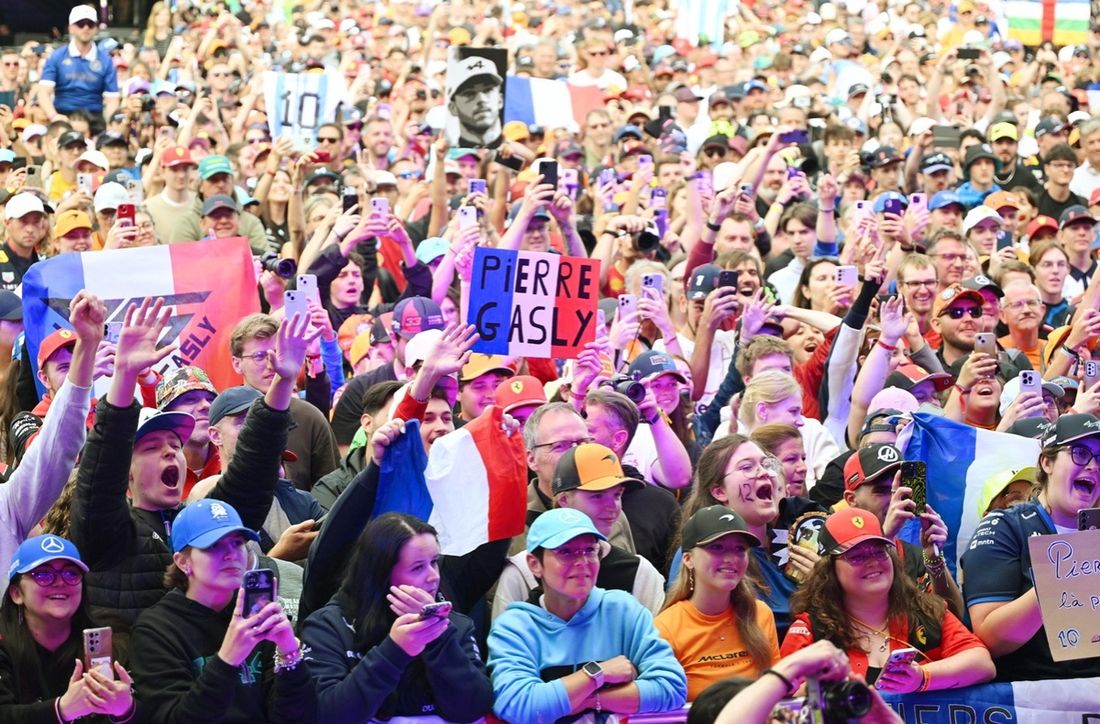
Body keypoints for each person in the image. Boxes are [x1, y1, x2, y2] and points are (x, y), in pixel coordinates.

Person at [487, 508, 687, 722]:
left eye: (590, 550)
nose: (582, 561)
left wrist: (591, 699)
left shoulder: (623, 609)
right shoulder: (514, 627)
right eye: (566, 552)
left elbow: (672, 687)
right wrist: (597, 673)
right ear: (535, 564)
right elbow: (517, 706)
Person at [130, 499, 316, 723]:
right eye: (214, 545)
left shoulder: (256, 614)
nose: (231, 554)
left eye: (237, 543)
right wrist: (228, 658)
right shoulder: (155, 630)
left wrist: (289, 654)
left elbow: (298, 718)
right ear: (182, 562)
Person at [299, 513, 492, 722]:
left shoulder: (455, 624)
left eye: (434, 562)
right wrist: (394, 652)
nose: (434, 576)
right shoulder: (328, 626)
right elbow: (328, 716)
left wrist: (437, 638)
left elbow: (474, 707)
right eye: (418, 567)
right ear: (380, 575)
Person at [782, 508, 995, 693]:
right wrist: (833, 691)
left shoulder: (927, 610)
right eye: (857, 556)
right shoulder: (809, 629)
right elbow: (780, 696)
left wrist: (921, 678)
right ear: (830, 570)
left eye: (879, 551)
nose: (873, 562)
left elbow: (982, 664)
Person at [961, 413, 1100, 681]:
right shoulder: (1005, 527)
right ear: (1047, 462)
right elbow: (989, 639)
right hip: (1033, 698)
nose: (1094, 466)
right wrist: (1066, 576)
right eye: (1081, 453)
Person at [0, 534, 136, 723]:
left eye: (71, 573)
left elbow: (152, 712)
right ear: (16, 594)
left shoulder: (114, 638)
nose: (60, 582)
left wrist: (126, 711)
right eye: (43, 575)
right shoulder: (4, 647)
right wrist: (62, 709)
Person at [655, 505, 780, 701]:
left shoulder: (760, 614)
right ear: (688, 559)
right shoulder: (665, 628)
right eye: (717, 547)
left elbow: (775, 692)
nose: (731, 559)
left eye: (740, 549)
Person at [37, 6, 119, 125]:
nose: (86, 28)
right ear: (71, 28)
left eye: (90, 24)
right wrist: (54, 116)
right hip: (62, 115)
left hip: (94, 118)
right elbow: (43, 92)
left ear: (95, 28)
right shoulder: (56, 57)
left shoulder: (106, 61)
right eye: (80, 24)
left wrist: (108, 126)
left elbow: (112, 100)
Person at [447, 56, 503, 149]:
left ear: (500, 100)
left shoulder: (519, 155)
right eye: (469, 93)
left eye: (488, 90)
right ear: (453, 108)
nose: (481, 99)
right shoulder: (444, 157)